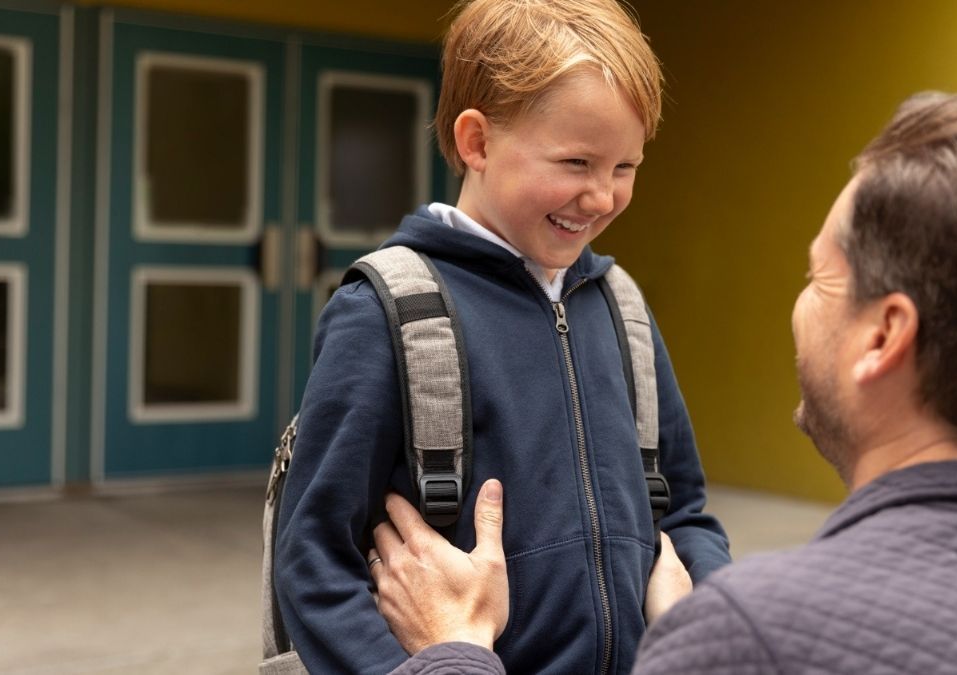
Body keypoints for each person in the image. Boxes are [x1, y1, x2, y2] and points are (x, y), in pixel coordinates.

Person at [370, 91, 957, 674]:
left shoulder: (751, 639)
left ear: (885, 335)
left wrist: (452, 648)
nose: (799, 305)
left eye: (819, 277)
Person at [273, 0, 731, 672]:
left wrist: (707, 619)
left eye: (624, 168)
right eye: (576, 162)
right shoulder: (384, 313)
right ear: (477, 142)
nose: (602, 196)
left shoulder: (621, 306)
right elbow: (313, 559)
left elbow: (684, 510)